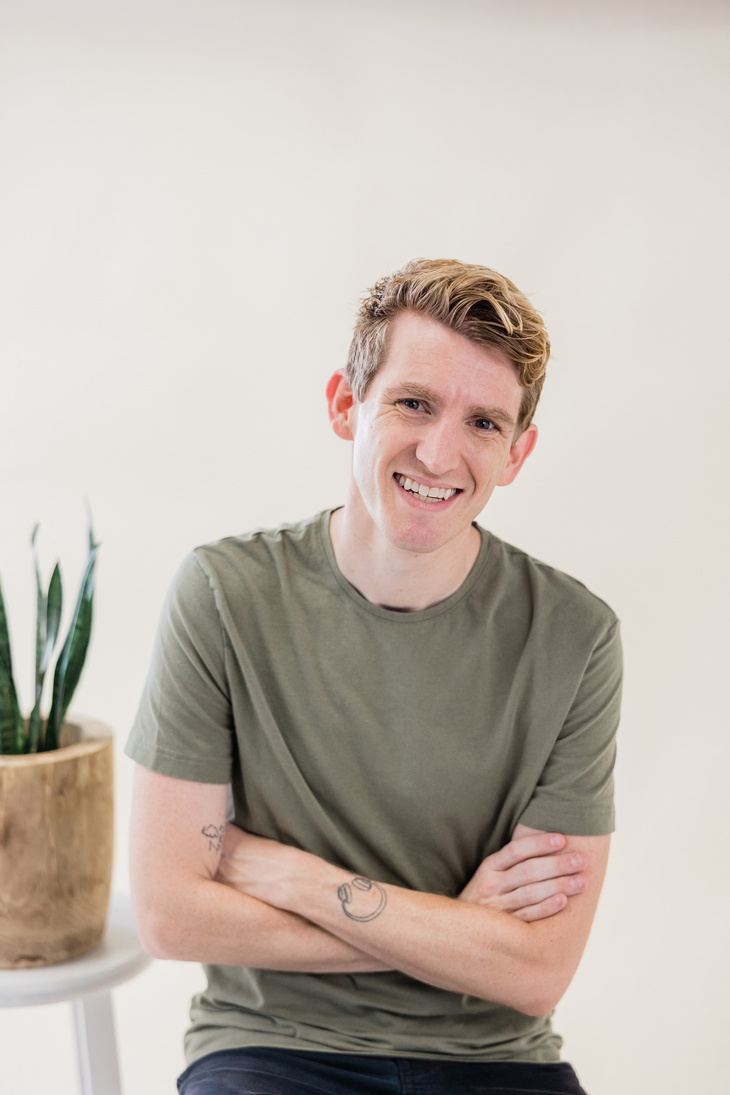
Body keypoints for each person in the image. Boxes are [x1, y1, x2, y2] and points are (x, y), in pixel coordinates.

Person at [126, 258, 622, 1095]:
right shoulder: (223, 594)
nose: (440, 451)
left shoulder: (576, 636)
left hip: (492, 1058)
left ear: (519, 451)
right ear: (344, 404)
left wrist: (293, 875)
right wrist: (465, 930)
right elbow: (171, 914)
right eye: (414, 402)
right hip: (272, 1047)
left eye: (484, 423)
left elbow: (538, 972)